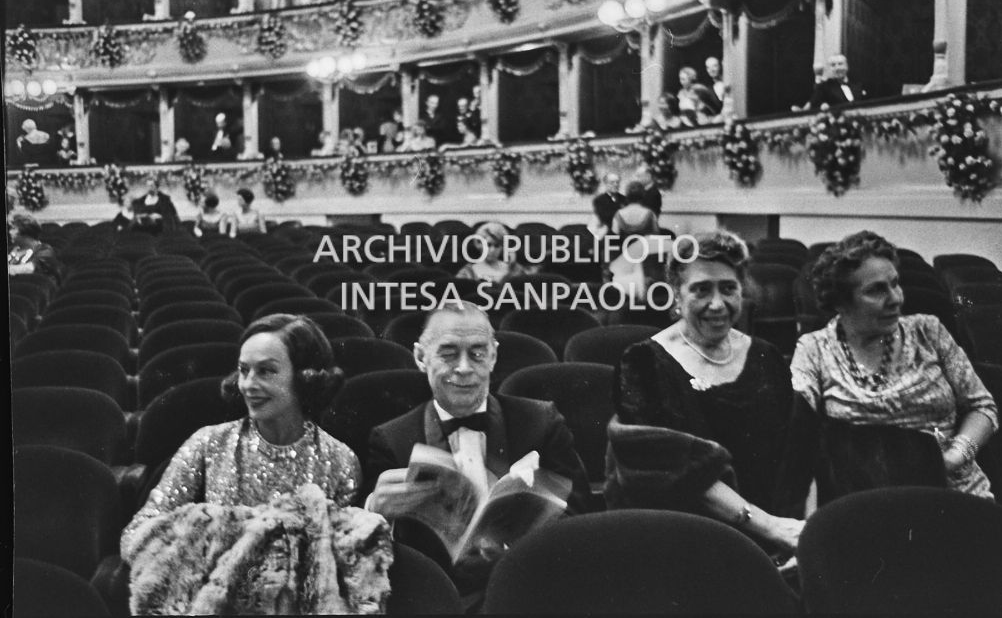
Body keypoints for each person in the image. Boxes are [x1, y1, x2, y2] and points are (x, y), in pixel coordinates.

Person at [119, 315, 373, 610]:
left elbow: (340, 566)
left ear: (306, 378)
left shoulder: (341, 461)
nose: (248, 384)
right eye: (243, 371)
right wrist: (203, 548)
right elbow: (137, 533)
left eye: (266, 371)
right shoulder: (209, 443)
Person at [364, 304, 591, 597]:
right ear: (421, 357)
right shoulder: (390, 439)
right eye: (447, 353)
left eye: (477, 353)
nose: (464, 368)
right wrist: (376, 512)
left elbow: (581, 516)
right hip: (437, 599)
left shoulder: (541, 422)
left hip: (525, 589)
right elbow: (377, 558)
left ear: (494, 356)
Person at [606, 231, 803, 555]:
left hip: (770, 539)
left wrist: (787, 532)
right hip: (682, 540)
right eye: (700, 290)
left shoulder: (766, 356)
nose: (717, 304)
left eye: (728, 288)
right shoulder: (642, 362)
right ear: (676, 296)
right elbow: (668, 474)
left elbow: (788, 460)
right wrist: (768, 526)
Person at [776, 231, 999, 510]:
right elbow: (801, 434)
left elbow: (982, 406)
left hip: (950, 491)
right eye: (876, 290)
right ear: (839, 302)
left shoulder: (929, 332)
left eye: (895, 284)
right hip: (862, 502)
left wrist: (955, 456)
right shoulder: (815, 349)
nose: (896, 299)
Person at [455, 221, 527, 283]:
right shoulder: (467, 272)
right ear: (479, 245)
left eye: (497, 246)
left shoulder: (513, 270)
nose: (492, 250)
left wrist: (513, 267)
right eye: (488, 245)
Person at [8, 213, 62, 282]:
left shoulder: (44, 250)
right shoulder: (12, 250)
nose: (10, 232)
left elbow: (30, 268)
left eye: (13, 228)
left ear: (25, 230)